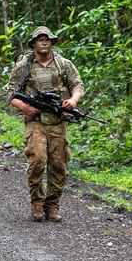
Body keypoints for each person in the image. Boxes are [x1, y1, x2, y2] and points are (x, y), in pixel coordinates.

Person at [6, 26, 84, 222]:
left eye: (47, 39)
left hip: (58, 121)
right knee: (38, 159)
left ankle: (53, 205)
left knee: (58, 164)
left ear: (52, 42)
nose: (44, 42)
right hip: (36, 121)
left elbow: (77, 84)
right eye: (40, 39)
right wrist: (25, 108)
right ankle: (37, 203)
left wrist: (73, 101)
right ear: (33, 44)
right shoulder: (24, 65)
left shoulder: (63, 64)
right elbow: (11, 93)